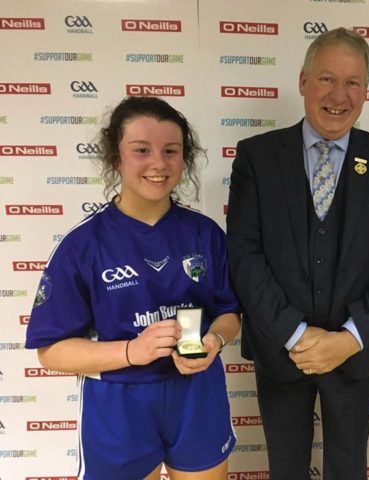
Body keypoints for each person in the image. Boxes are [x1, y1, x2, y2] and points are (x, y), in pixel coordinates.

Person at [226, 27, 369, 480]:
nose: (339, 95)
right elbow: (244, 255)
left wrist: (349, 338)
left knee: (348, 470)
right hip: (281, 351)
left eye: (353, 82)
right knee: (285, 469)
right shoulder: (257, 157)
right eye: (327, 79)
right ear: (303, 81)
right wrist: (295, 335)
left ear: (367, 90)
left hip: (355, 352)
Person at [25, 96, 242, 480]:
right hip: (118, 403)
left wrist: (215, 342)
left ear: (184, 158)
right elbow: (52, 352)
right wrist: (132, 351)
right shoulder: (83, 246)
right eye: (141, 150)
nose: (158, 163)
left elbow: (228, 314)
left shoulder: (205, 234)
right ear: (116, 158)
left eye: (171, 151)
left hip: (196, 394)